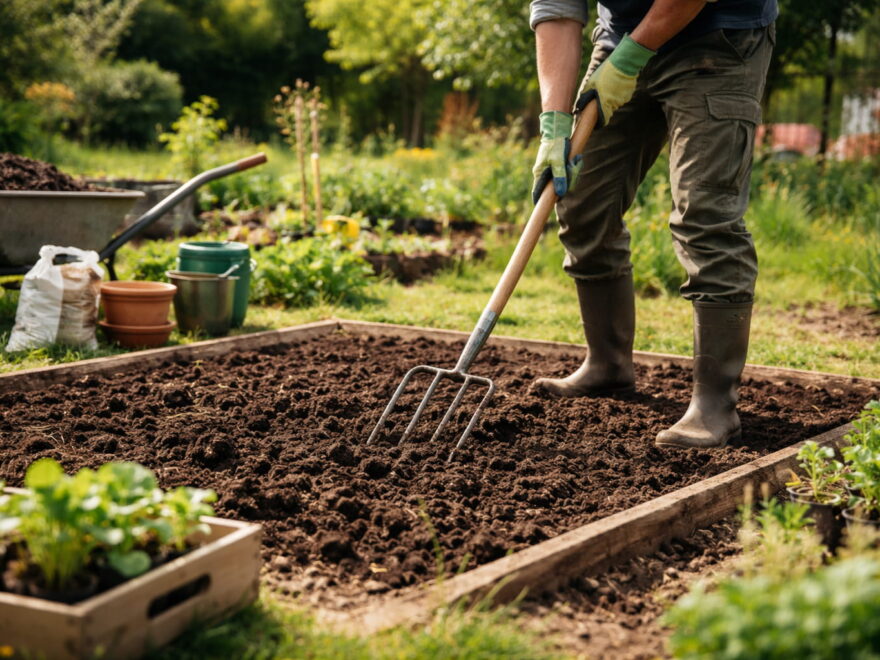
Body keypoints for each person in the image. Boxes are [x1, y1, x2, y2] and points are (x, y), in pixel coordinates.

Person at [528, 0, 776, 448]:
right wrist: (554, 122)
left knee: (705, 213)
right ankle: (607, 365)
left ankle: (715, 405)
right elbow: (557, 7)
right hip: (620, 37)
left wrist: (632, 56)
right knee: (580, 198)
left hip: (720, 39)